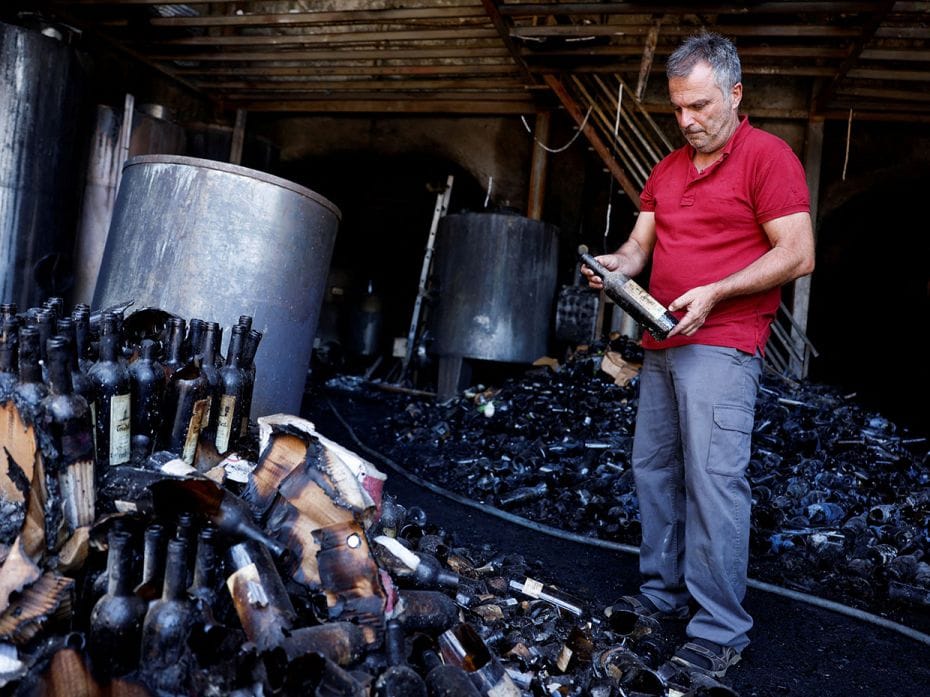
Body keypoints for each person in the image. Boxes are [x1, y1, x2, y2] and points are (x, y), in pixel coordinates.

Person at [582, 31, 815, 678]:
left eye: (702, 107)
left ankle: (719, 629)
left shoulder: (768, 158)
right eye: (679, 108)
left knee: (714, 484)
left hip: (723, 345)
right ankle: (662, 597)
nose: (688, 121)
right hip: (660, 339)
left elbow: (798, 252)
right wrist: (616, 270)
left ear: (736, 95)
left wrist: (717, 291)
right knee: (653, 470)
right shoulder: (668, 167)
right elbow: (639, 246)